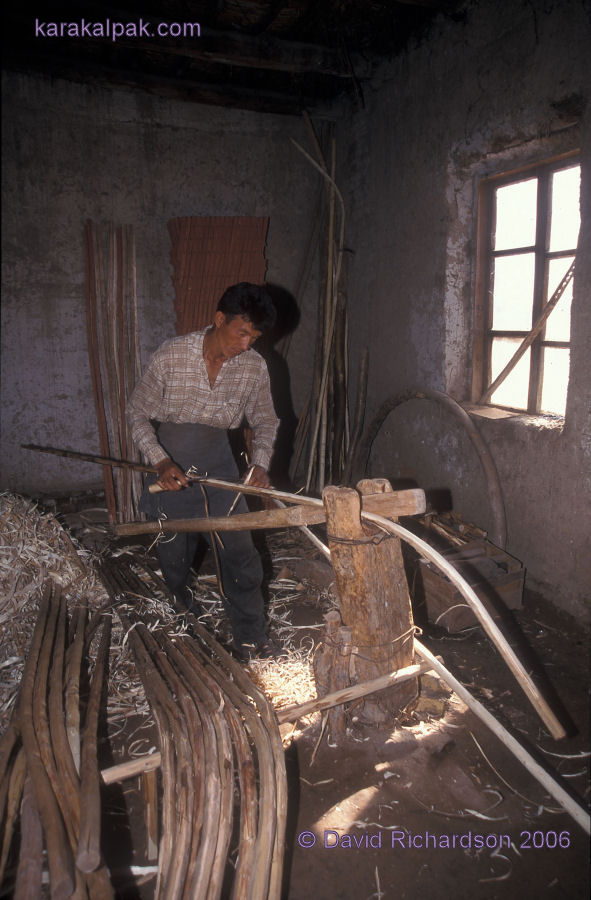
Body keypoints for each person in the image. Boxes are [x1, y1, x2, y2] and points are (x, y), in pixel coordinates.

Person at [128, 282, 281, 660]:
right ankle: (185, 626)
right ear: (218, 320)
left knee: (240, 555)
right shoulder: (172, 355)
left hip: (219, 463)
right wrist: (159, 459)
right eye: (241, 332)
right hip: (170, 463)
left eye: (254, 337)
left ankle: (251, 636)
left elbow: (266, 420)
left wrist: (260, 462)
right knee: (174, 559)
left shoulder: (253, 367)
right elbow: (137, 413)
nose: (245, 344)